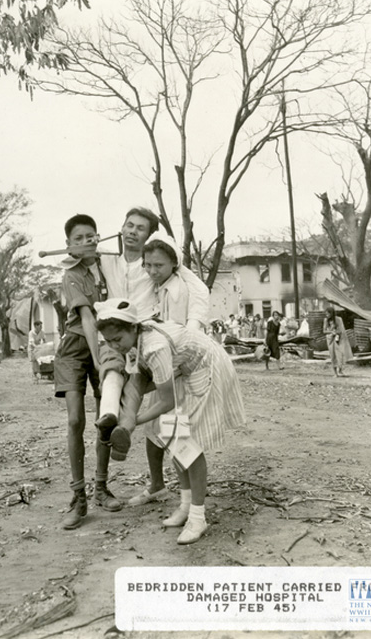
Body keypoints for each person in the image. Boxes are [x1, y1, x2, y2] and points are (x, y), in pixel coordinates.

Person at [95, 298, 245, 545]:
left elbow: (166, 402)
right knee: (172, 434)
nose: (113, 346)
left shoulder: (154, 347)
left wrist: (134, 422)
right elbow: (137, 383)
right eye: (108, 341)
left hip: (206, 366)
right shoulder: (132, 344)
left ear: (133, 327)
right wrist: (126, 418)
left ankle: (198, 517)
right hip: (183, 369)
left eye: (117, 339)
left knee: (188, 444)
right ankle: (186, 505)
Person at [95, 207, 209, 462]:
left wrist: (193, 328)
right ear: (121, 227)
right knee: (153, 417)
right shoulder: (107, 256)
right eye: (129, 225)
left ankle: (191, 498)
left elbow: (200, 291)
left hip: (167, 350)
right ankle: (121, 431)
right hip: (132, 346)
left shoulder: (169, 273)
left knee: (173, 421)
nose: (152, 270)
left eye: (140, 228)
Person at [54, 214, 122, 531]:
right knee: (75, 420)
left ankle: (102, 487)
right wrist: (97, 360)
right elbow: (86, 317)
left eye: (91, 236)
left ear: (99, 238)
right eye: (78, 238)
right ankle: (79, 497)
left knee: (107, 418)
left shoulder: (110, 268)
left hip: (107, 345)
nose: (86, 241)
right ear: (68, 245)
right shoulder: (70, 274)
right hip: (77, 347)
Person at [128, 232, 206, 506]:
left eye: (158, 265)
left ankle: (189, 504)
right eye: (147, 265)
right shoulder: (159, 286)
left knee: (178, 434)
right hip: (163, 367)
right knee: (160, 431)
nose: (151, 271)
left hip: (176, 370)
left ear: (174, 264)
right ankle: (163, 488)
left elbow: (175, 335)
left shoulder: (176, 291)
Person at [323, 305, 352, 377]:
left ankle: (340, 371)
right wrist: (331, 332)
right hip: (330, 339)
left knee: (339, 355)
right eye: (326, 314)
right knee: (332, 356)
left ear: (331, 313)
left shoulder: (338, 320)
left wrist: (336, 332)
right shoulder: (326, 320)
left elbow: (341, 330)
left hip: (338, 339)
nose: (326, 315)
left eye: (328, 314)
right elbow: (324, 331)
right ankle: (335, 373)